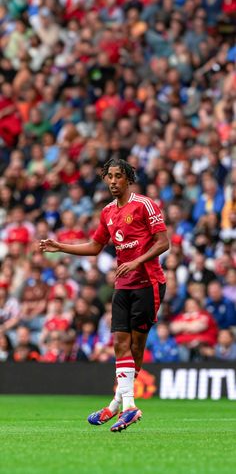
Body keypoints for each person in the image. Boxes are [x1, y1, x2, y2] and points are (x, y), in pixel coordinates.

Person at [39, 158, 169, 432]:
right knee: (119, 343)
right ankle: (128, 407)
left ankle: (116, 404)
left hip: (149, 282)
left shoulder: (144, 205)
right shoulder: (108, 212)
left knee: (136, 348)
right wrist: (60, 246)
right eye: (109, 176)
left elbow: (163, 242)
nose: (112, 181)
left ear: (128, 179)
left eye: (118, 176)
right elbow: (95, 246)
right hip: (123, 285)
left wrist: (136, 261)